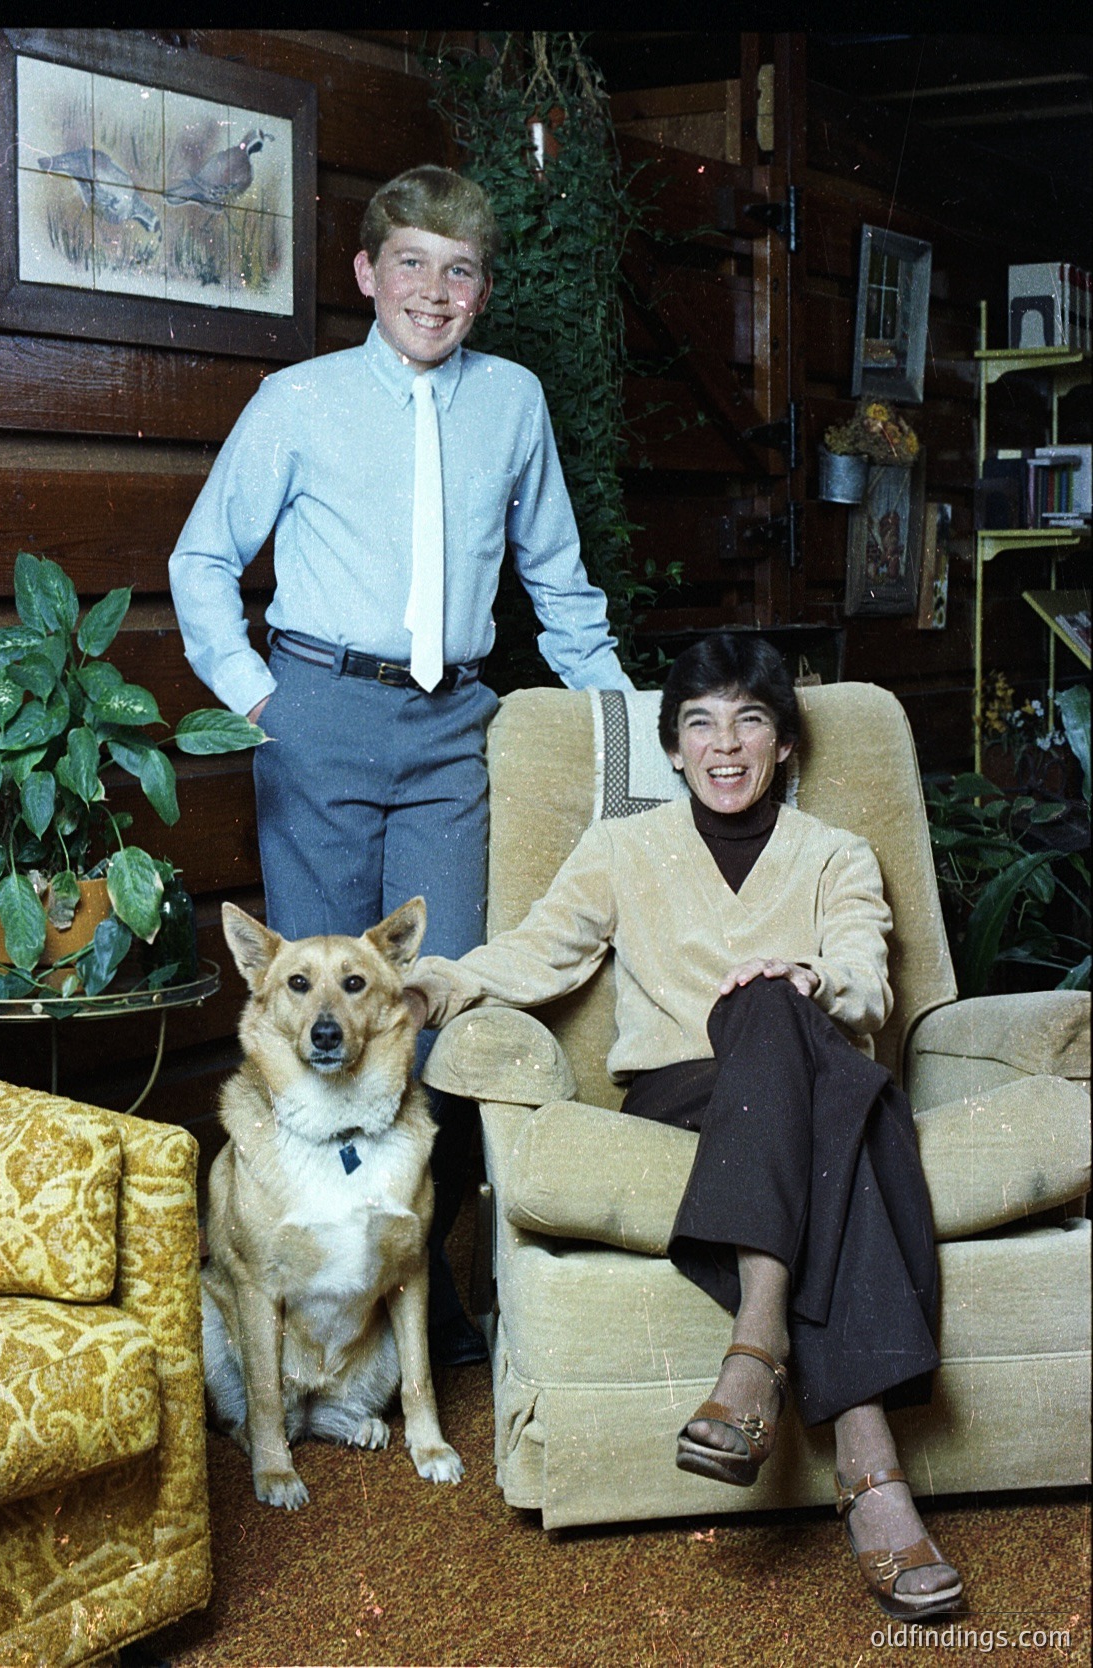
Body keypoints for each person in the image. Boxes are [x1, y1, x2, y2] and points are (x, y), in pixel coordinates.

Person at [169, 164, 633, 1366]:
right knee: (316, 1011)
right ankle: (308, 1290)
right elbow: (202, 560)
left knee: (436, 999)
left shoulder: (514, 400)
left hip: (449, 727)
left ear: (482, 292)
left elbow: (560, 584)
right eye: (412, 264)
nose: (435, 292)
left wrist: (628, 731)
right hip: (315, 708)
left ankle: (428, 1278)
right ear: (369, 274)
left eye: (461, 270)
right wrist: (263, 698)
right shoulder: (298, 400)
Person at [405, 632, 963, 1620]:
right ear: (669, 748)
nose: (724, 744)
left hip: (819, 1073)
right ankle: (871, 1475)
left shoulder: (835, 853)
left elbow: (867, 981)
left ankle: (755, 1356)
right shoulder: (622, 848)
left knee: (777, 1014)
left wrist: (809, 981)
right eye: (699, 722)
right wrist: (440, 981)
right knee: (816, 1084)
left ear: (784, 743)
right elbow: (537, 952)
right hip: (684, 1093)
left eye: (750, 719)